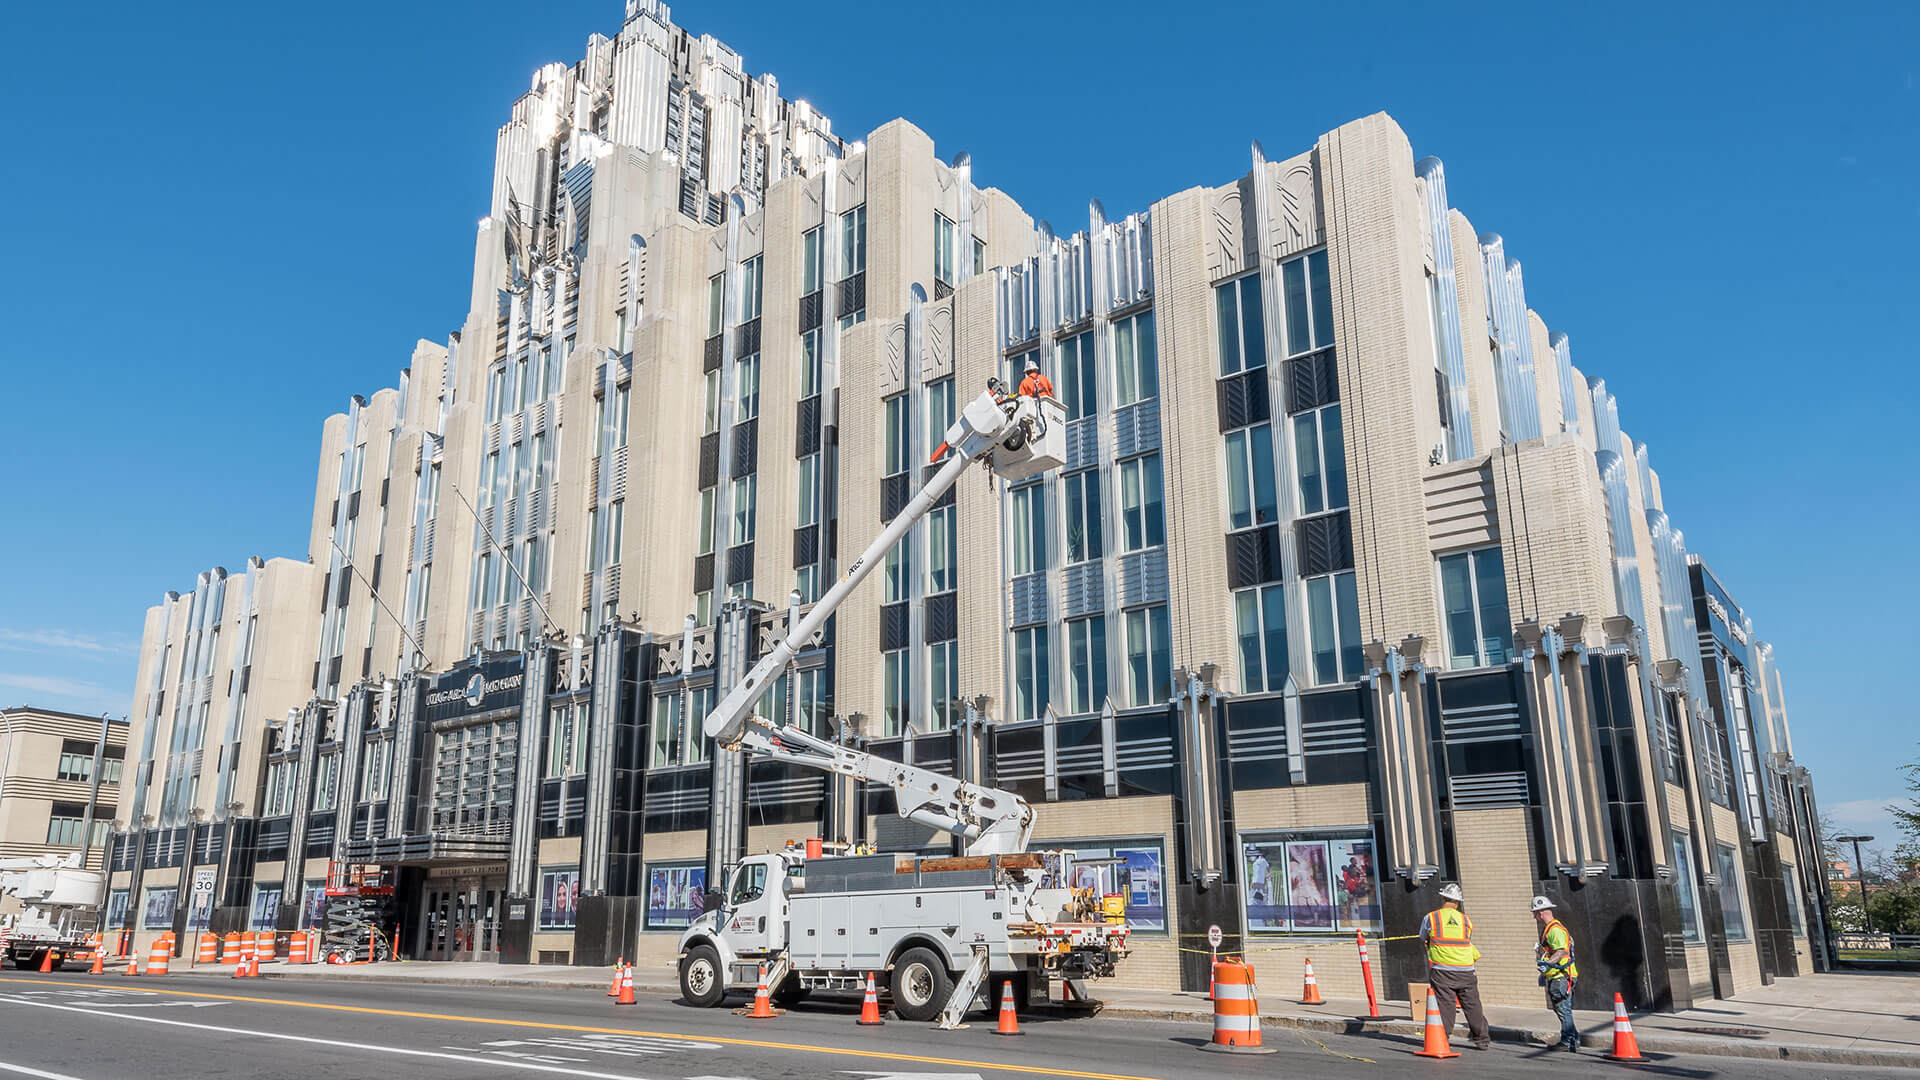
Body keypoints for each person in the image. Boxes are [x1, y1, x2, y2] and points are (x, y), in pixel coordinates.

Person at [1419, 882, 1490, 1051]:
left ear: (1443, 898)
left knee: (1445, 1004)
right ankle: (1482, 1040)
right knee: (1472, 1005)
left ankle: (1442, 1037)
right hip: (1466, 969)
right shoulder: (1466, 920)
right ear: (1458, 902)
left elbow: (1423, 937)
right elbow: (1466, 941)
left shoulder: (1431, 917)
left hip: (1443, 970)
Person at [1533, 895, 1580, 1052]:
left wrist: (1546, 964)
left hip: (1561, 976)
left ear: (1540, 913)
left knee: (1563, 1008)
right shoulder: (1552, 929)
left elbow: (1560, 952)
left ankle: (1568, 1041)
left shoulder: (1554, 930)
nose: (1534, 917)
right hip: (1559, 976)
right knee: (1562, 1008)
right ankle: (1573, 1038)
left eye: (1534, 913)